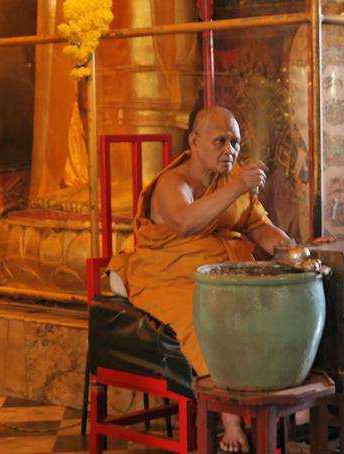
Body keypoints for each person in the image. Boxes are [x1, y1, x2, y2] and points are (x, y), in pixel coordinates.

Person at [109, 106, 293, 453]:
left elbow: (258, 226)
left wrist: (292, 251)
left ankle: (275, 399)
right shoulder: (173, 183)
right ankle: (230, 418)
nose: (230, 150)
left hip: (228, 274)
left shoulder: (231, 180)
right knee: (205, 313)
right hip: (171, 276)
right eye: (220, 141)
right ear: (194, 142)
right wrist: (237, 186)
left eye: (236, 142)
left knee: (273, 301)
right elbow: (184, 222)